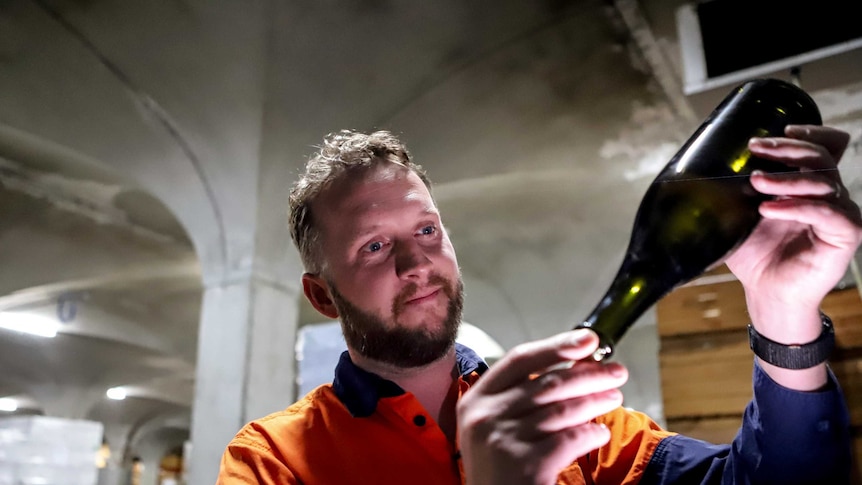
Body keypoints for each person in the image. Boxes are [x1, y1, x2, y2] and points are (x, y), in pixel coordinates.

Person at [217, 126, 860, 484]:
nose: (416, 265)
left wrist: (783, 313)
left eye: (426, 232)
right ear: (322, 296)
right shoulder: (272, 461)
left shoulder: (570, 423)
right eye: (375, 246)